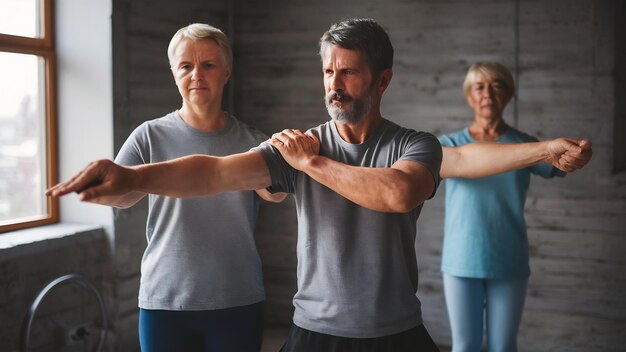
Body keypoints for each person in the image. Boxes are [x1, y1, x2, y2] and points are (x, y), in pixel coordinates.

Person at [47, 19, 591, 352]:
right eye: (329, 72)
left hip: (395, 332)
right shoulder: (296, 144)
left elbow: (396, 194)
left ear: (382, 80)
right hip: (313, 333)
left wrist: (312, 166)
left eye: (349, 72)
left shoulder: (413, 144)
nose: (335, 84)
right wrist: (135, 176)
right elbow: (215, 172)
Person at [107, 23, 285, 351]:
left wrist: (288, 157)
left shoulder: (253, 140)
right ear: (174, 72)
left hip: (237, 297)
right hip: (165, 302)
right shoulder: (148, 136)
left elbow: (276, 193)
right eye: (186, 66)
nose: (196, 75)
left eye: (209, 65)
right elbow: (118, 199)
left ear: (227, 72)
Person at [438, 62, 590, 352]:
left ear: (509, 95)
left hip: (509, 260)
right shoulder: (449, 145)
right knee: (464, 345)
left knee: (503, 346)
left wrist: (578, 156)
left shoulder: (526, 145)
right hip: (460, 261)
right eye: (479, 87)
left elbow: (560, 164)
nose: (488, 94)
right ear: (470, 97)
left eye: (497, 86)